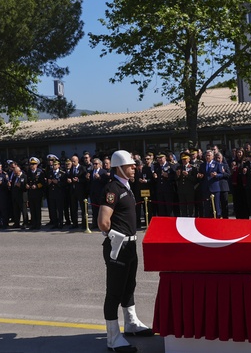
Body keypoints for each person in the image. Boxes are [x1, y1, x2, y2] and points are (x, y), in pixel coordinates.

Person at [97, 150, 152, 353]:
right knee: (114, 292)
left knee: (129, 286)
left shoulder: (126, 187)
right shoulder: (112, 189)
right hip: (118, 246)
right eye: (130, 166)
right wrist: (113, 235)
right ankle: (113, 338)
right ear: (119, 167)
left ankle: (131, 324)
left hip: (130, 245)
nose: (134, 168)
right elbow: (103, 221)